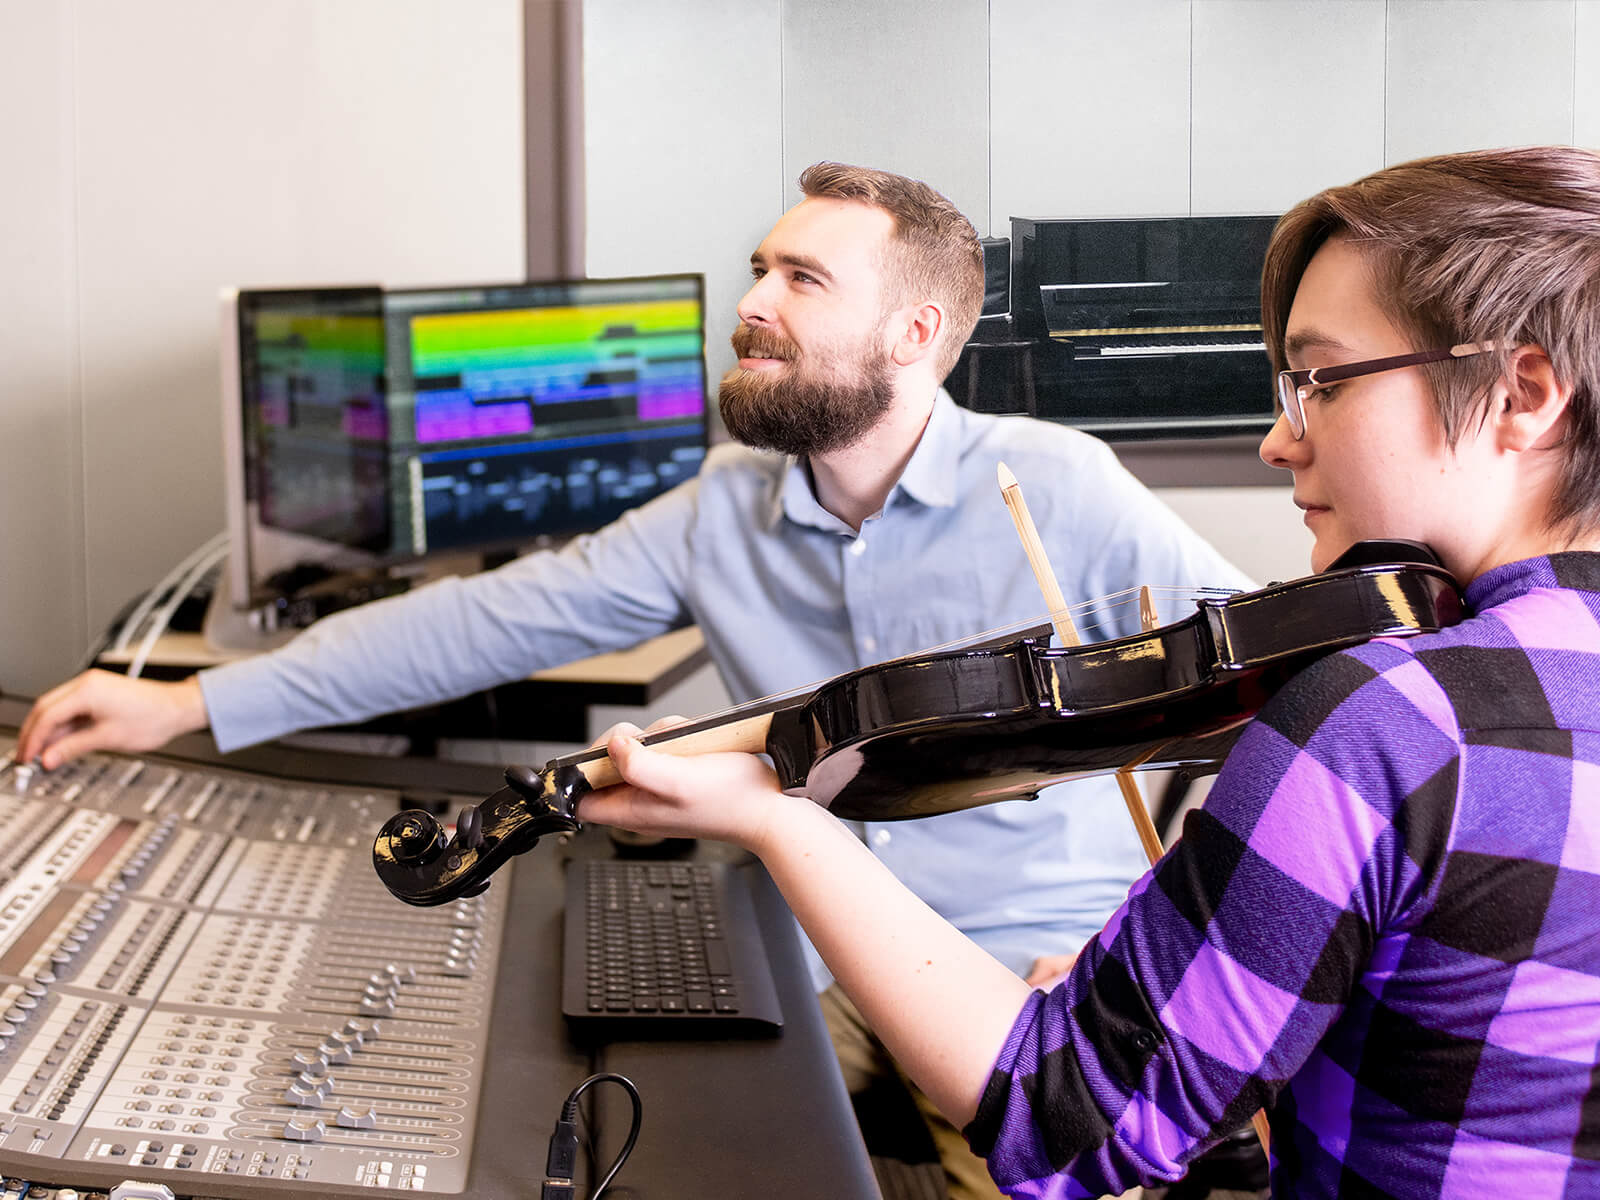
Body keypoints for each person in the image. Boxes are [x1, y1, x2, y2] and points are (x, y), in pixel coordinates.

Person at [18, 164, 1250, 1199]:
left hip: (1017, 969)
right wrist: (189, 705)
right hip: (807, 948)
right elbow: (478, 623)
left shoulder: (1065, 486)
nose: (750, 305)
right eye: (760, 269)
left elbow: (1286, 704)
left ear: (916, 334)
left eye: (800, 281)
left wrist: (1144, 953)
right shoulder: (721, 507)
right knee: (641, 1163)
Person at [573, 145, 1600, 1198]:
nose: (1273, 442)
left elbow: (1063, 1123)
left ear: (1521, 394)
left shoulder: (1391, 719)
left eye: (1317, 383)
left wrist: (777, 814)